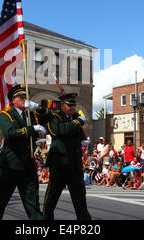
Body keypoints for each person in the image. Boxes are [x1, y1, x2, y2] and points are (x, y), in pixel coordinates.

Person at [0, 84, 50, 220]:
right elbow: (10, 133)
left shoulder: (31, 114)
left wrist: (38, 108)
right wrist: (32, 129)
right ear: (13, 100)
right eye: (20, 97)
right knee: (1, 200)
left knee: (32, 201)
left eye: (25, 97)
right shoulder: (6, 115)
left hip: (28, 164)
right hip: (11, 163)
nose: (24, 99)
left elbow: (51, 117)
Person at [43, 92, 91, 220]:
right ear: (63, 105)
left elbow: (74, 133)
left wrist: (83, 140)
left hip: (75, 164)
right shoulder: (55, 117)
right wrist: (77, 122)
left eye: (73, 105)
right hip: (60, 163)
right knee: (52, 198)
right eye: (70, 105)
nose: (72, 108)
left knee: (80, 199)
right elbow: (60, 131)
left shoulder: (74, 119)